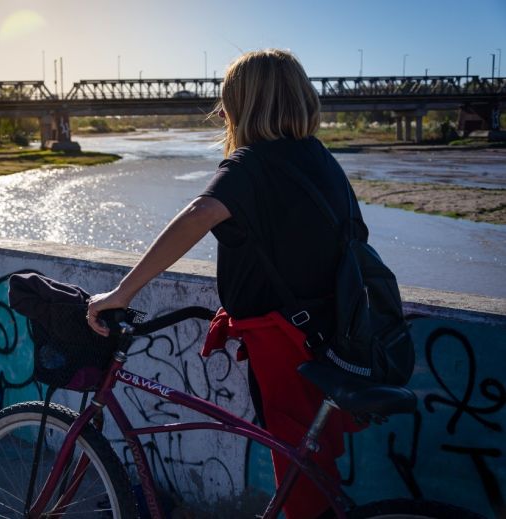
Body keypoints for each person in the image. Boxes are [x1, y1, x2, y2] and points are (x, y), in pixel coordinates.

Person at [87, 49, 366, 519]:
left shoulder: (251, 166)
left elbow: (198, 215)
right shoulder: (319, 158)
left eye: (227, 101)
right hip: (333, 333)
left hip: (286, 343)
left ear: (241, 104)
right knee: (310, 465)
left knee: (297, 475)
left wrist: (122, 293)